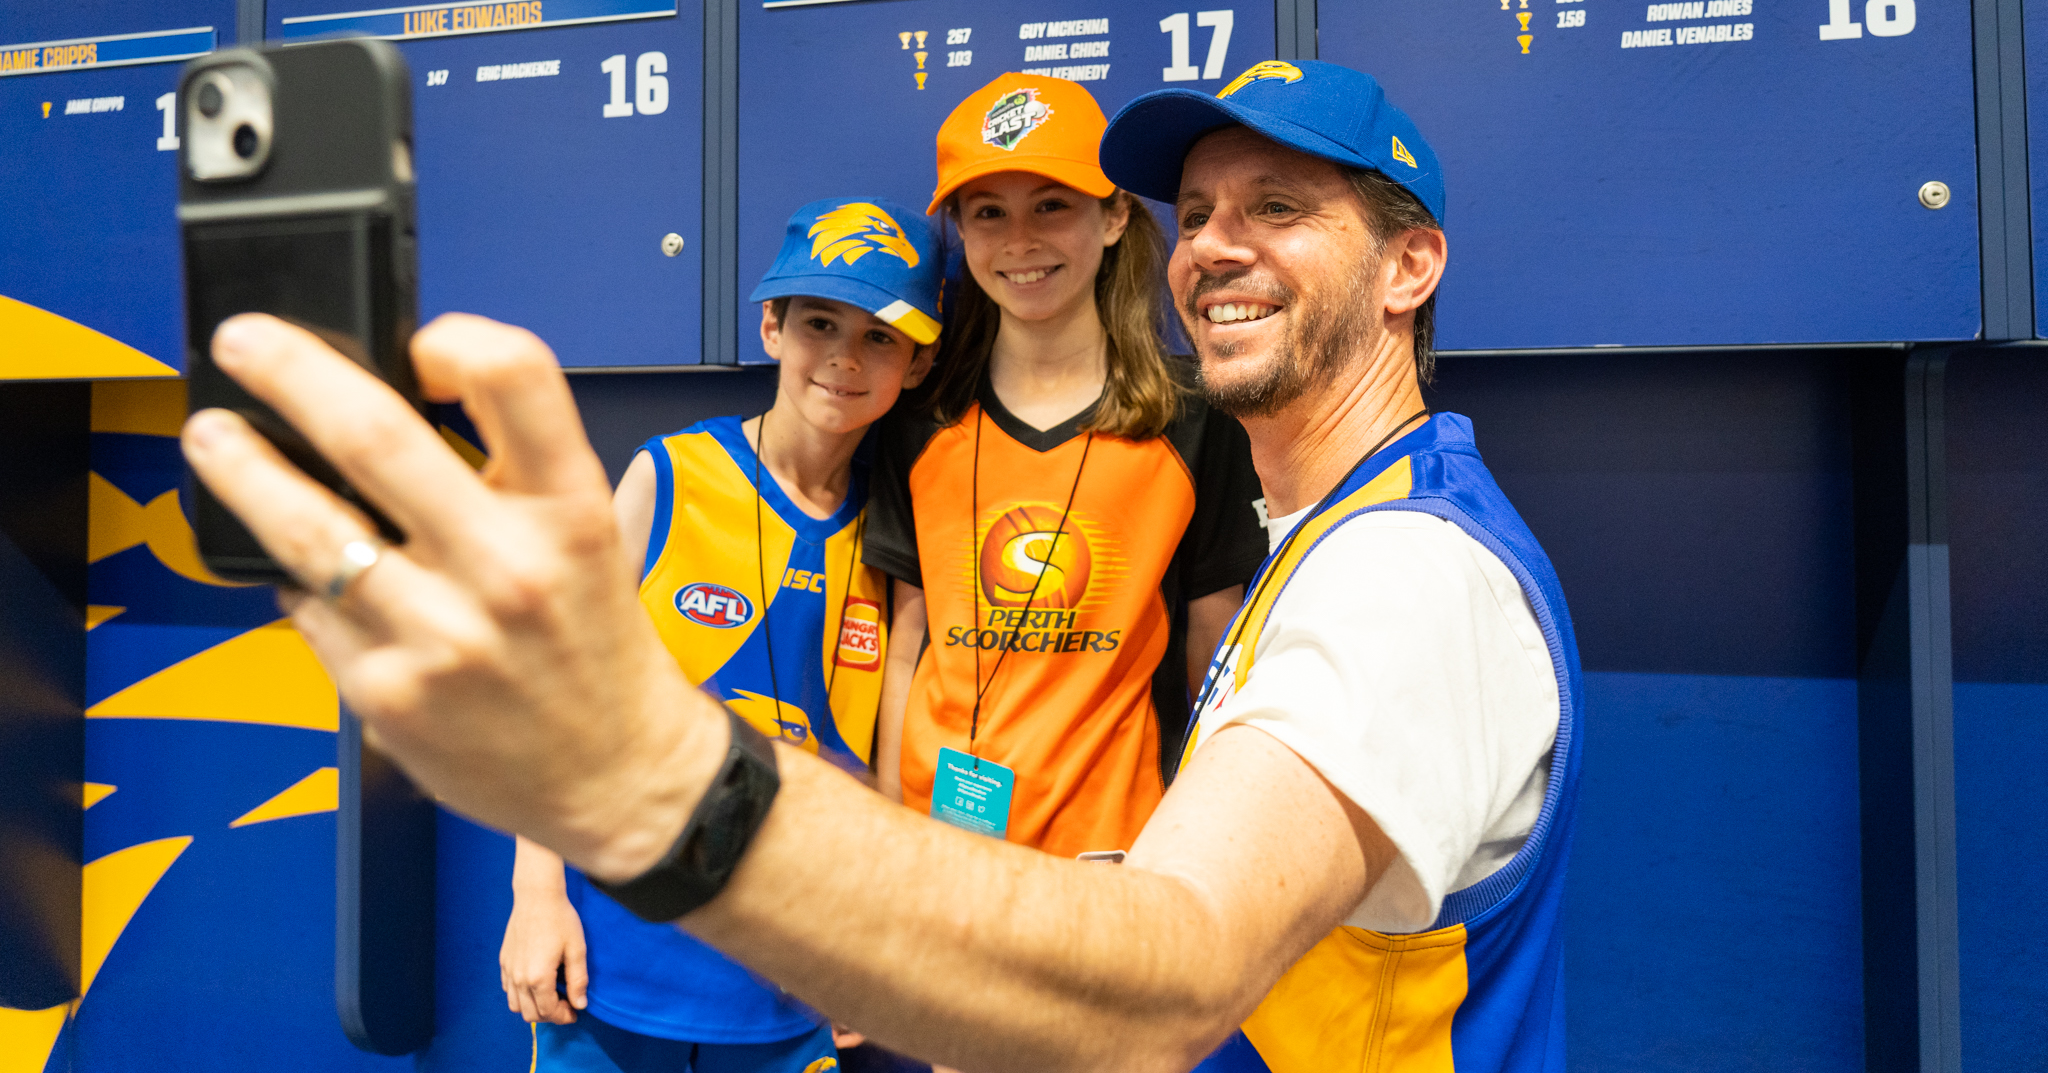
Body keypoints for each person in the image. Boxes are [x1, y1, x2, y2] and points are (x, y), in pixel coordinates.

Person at [183, 60, 1582, 1073]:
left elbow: (1175, 977)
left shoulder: (1412, 572)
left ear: (1411, 268)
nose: (1215, 243)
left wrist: (649, 781)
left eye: (1281, 208)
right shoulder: (1320, 528)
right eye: (1200, 210)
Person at [498, 197, 941, 1073]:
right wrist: (535, 893)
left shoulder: (900, 532)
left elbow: (887, 763)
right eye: (820, 322)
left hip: (793, 975)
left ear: (918, 364)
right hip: (611, 962)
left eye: (880, 337)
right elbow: (560, 695)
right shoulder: (669, 477)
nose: (846, 359)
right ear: (772, 325)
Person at [868, 73, 1267, 859]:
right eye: (989, 212)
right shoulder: (919, 421)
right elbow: (906, 642)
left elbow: (1213, 667)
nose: (1020, 240)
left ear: (1115, 214)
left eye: (1051, 203)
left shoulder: (1195, 418)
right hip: (935, 850)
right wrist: (888, 839)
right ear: (960, 229)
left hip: (1110, 860)